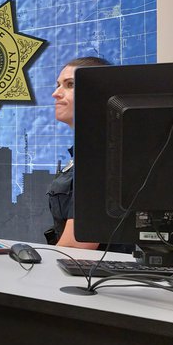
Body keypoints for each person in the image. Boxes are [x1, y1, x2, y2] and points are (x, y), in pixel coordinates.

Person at [47, 56, 112, 250]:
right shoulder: (86, 152)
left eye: (70, 85)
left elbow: (77, 247)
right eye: (58, 85)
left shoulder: (101, 157)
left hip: (91, 276)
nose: (56, 94)